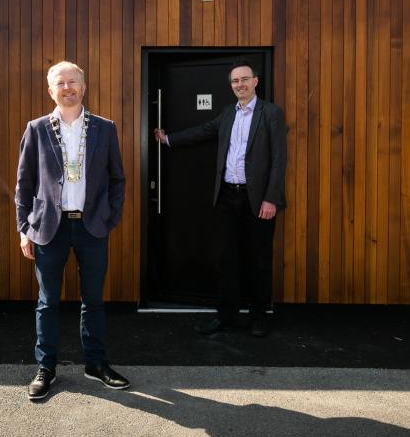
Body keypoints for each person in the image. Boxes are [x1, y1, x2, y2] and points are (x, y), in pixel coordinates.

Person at [15, 61, 129, 400]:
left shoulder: (105, 128)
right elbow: (24, 184)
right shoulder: (35, 129)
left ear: (84, 86)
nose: (67, 88)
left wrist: (110, 218)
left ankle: (95, 363)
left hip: (92, 226)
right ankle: (46, 367)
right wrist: (24, 229)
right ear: (51, 91)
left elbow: (116, 178)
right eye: (60, 83)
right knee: (47, 302)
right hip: (49, 228)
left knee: (93, 300)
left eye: (73, 82)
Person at [154, 61, 287, 337]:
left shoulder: (271, 113)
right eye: (235, 81)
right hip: (227, 196)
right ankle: (226, 316)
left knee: (259, 260)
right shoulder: (228, 113)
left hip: (259, 200)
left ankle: (259, 317)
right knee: (225, 259)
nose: (240, 84)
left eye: (244, 79)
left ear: (255, 82)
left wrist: (271, 199)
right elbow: (203, 131)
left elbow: (279, 160)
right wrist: (169, 140)